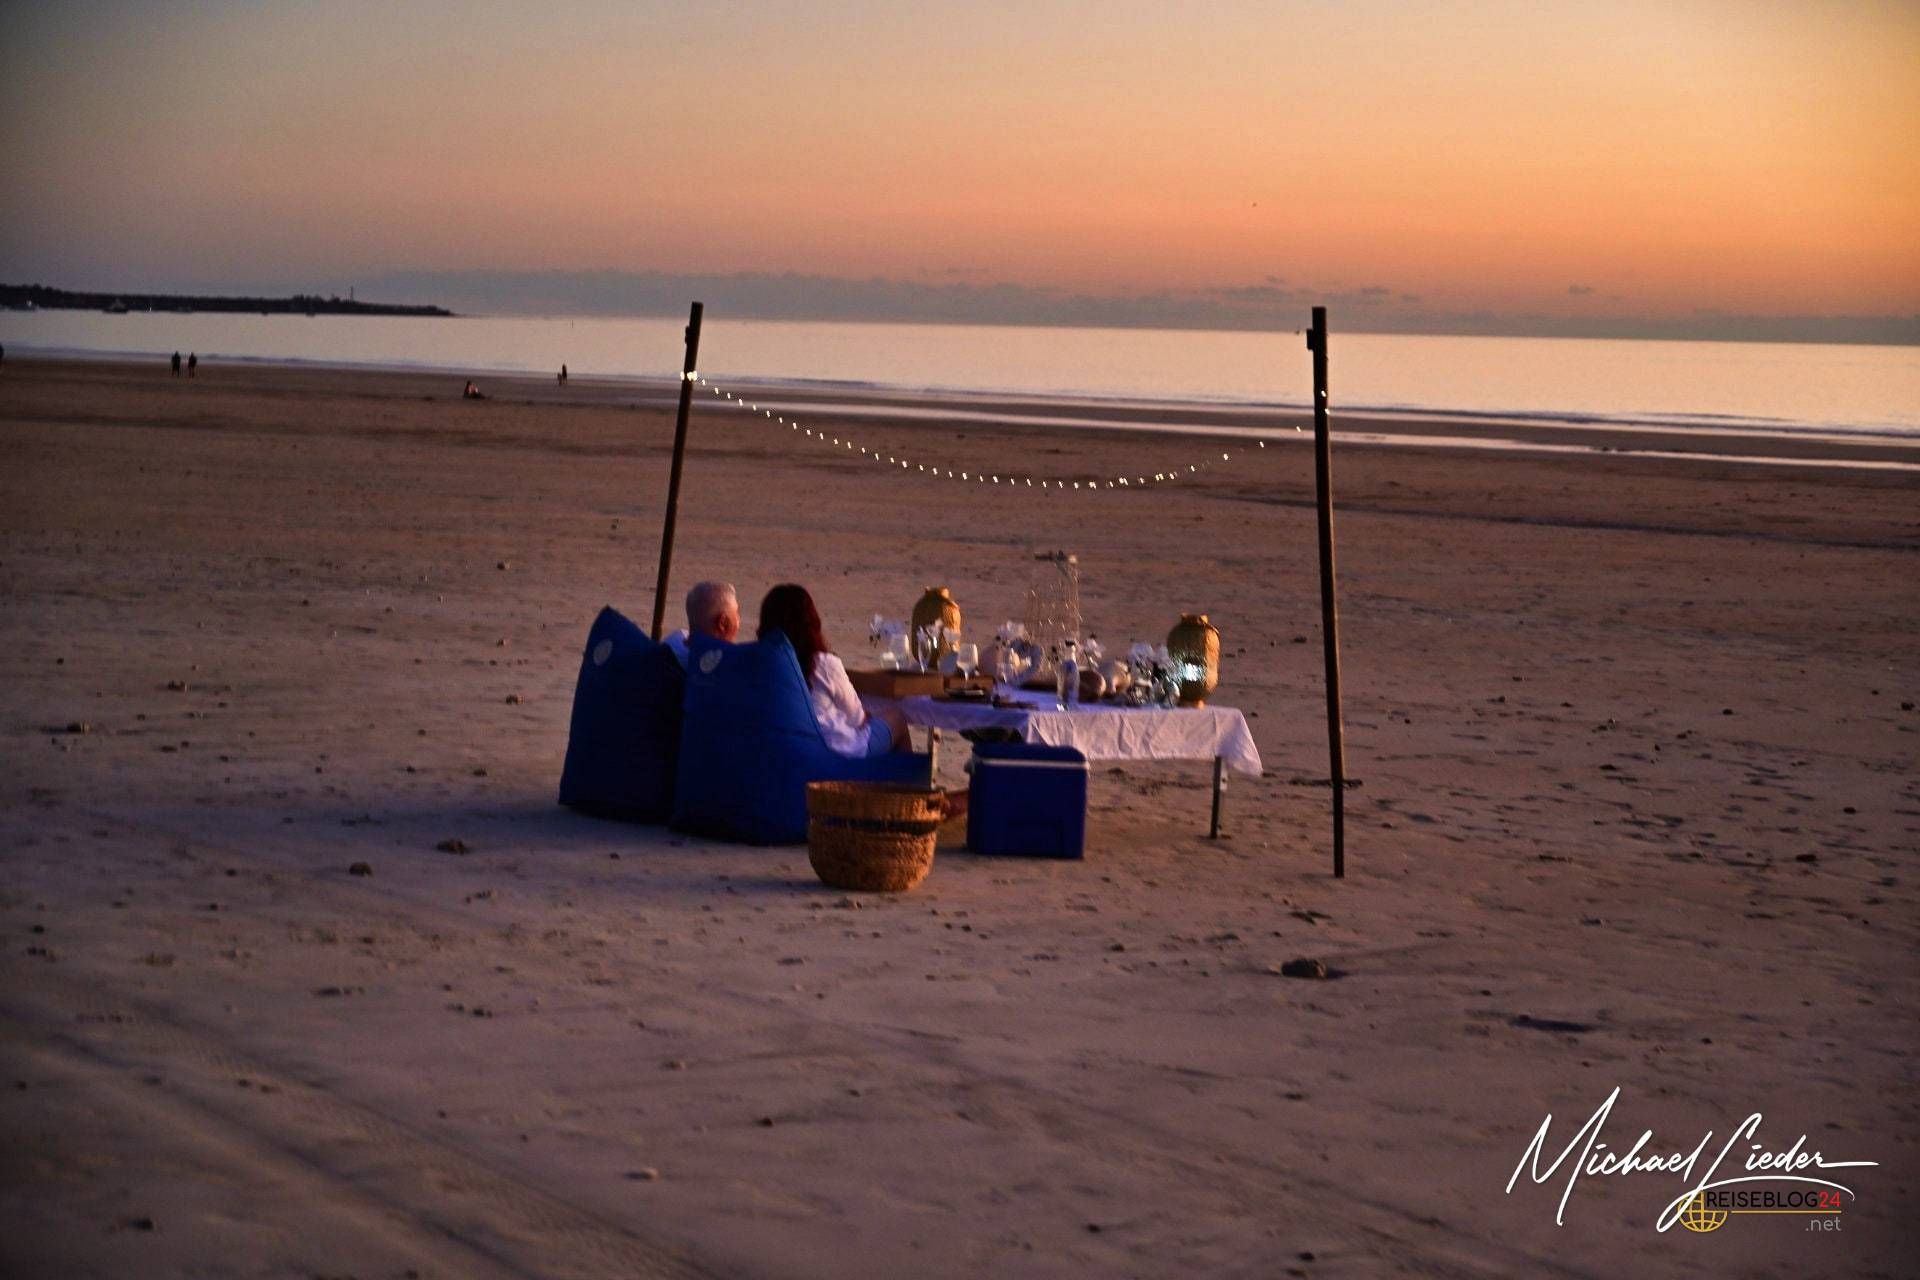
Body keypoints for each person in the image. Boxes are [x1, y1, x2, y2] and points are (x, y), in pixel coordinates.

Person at [757, 583, 911, 757]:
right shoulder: (823, 664)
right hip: (836, 753)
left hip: (787, 751)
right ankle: (909, 775)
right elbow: (857, 719)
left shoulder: (762, 665)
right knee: (897, 718)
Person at [663, 580, 740, 666]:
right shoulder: (724, 666)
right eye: (737, 613)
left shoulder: (672, 642)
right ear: (722, 623)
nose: (738, 619)